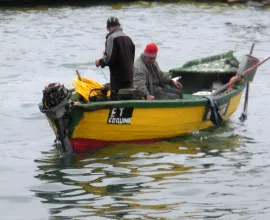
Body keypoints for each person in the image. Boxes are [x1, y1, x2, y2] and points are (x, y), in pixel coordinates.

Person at [95, 16, 135, 100]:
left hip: (118, 77)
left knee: (116, 97)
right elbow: (131, 56)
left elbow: (109, 58)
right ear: (118, 25)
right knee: (128, 97)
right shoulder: (128, 38)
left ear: (107, 28)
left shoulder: (111, 37)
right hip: (130, 75)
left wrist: (100, 61)